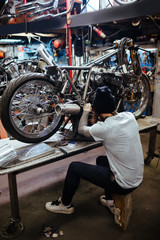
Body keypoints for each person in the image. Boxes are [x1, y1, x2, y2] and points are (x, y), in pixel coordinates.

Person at [45, 86, 144, 214]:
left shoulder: (104, 128)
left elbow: (81, 130)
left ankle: (65, 205)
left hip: (123, 185)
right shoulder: (129, 117)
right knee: (101, 160)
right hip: (137, 179)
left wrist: (86, 111)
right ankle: (110, 201)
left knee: (74, 167)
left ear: (96, 109)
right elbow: (114, 119)